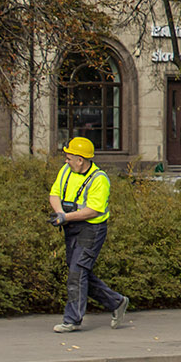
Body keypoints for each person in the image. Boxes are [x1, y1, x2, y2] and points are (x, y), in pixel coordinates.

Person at [48, 137, 130, 332]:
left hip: (91, 230)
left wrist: (65, 217)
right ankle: (117, 302)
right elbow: (54, 193)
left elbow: (93, 210)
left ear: (80, 160)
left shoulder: (99, 179)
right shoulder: (66, 171)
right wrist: (60, 214)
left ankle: (72, 320)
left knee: (77, 272)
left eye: (69, 158)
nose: (66, 161)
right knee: (79, 271)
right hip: (72, 226)